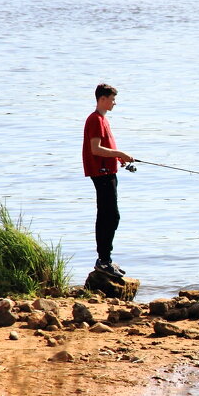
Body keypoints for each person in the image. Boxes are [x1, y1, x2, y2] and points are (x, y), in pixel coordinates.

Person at [82, 83, 133, 278]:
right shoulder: (95, 119)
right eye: (112, 99)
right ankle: (103, 260)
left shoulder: (102, 119)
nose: (114, 103)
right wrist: (120, 152)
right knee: (109, 215)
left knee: (109, 215)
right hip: (101, 173)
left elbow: (104, 147)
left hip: (107, 172)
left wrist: (118, 157)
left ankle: (106, 259)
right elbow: (95, 149)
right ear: (102, 99)